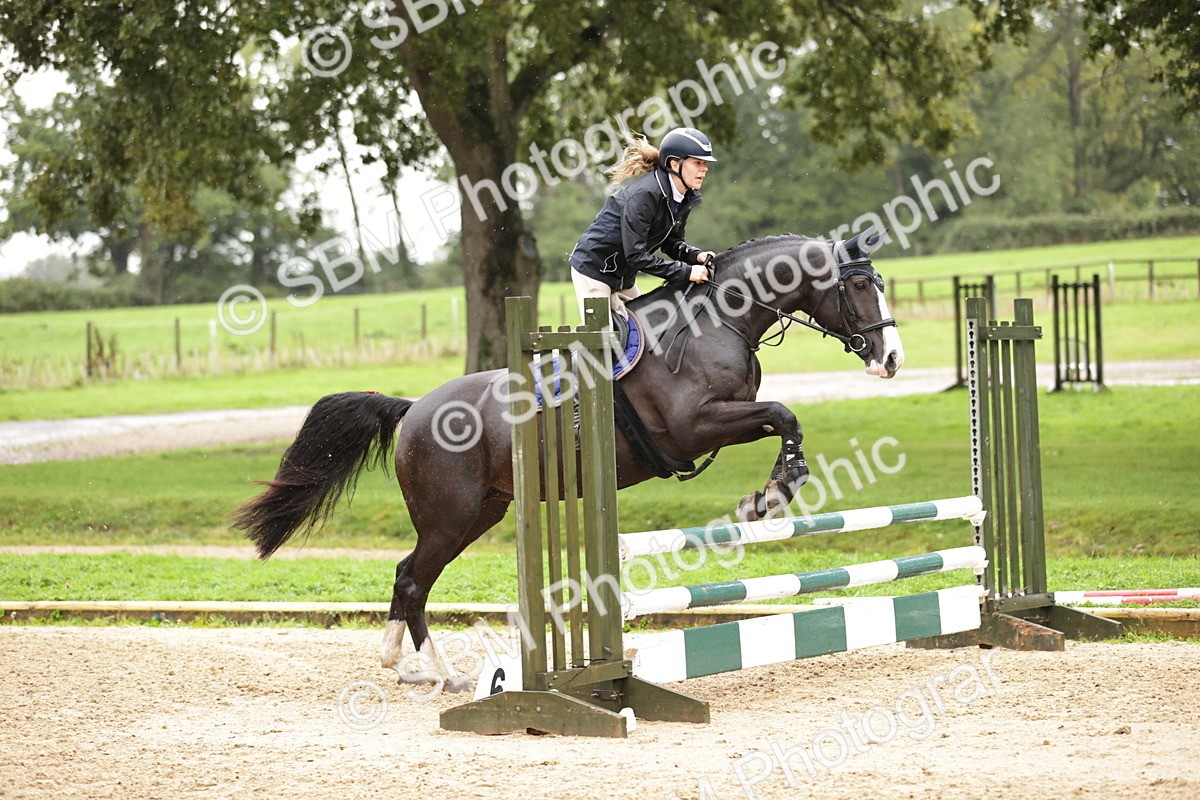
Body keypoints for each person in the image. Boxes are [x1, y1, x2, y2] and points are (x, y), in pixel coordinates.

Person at [569, 126, 717, 322]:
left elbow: (671, 243)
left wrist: (696, 255)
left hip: (623, 274)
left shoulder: (682, 197)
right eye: (697, 162)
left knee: (648, 331)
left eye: (705, 163)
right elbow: (636, 256)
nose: (704, 168)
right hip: (594, 269)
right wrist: (686, 272)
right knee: (603, 342)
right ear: (674, 164)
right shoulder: (645, 196)